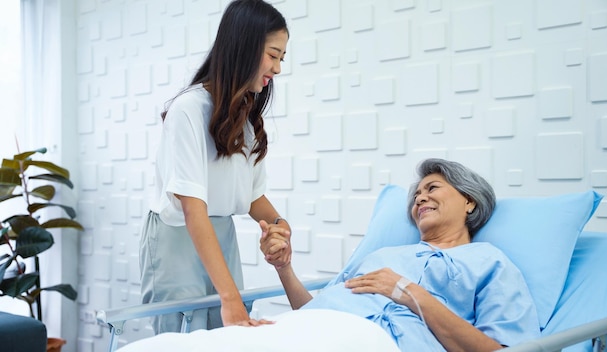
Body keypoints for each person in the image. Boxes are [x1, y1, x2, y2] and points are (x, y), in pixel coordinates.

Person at [260, 158, 541, 352]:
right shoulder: (382, 256)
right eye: (417, 195)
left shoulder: (489, 262)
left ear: (469, 201)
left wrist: (408, 292)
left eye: (432, 188)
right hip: (306, 330)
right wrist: (284, 268)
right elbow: (315, 310)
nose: (420, 198)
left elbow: (502, 349)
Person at [140, 0, 292, 334]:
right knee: (181, 335)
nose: (278, 68)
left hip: (220, 234)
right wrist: (230, 296)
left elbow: (251, 196)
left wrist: (280, 226)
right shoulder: (189, 110)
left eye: (282, 58)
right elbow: (194, 210)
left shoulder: (247, 119)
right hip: (177, 238)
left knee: (228, 335)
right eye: (272, 55)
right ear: (244, 45)